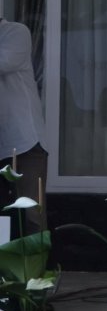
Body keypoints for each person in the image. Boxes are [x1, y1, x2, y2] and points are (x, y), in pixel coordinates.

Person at [0, 17, 48, 234]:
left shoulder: (16, 32)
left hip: (24, 143)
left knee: (31, 215)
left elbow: (4, 62)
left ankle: (36, 258)